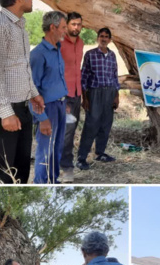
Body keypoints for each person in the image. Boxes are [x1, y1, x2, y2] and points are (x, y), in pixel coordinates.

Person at [0, 0, 46, 184]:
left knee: (20, 173)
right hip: (5, 112)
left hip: (22, 109)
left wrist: (33, 94)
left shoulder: (19, 27)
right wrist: (7, 114)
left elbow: (20, 68)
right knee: (3, 176)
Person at [30, 11, 69, 184]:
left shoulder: (57, 49)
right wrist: (42, 118)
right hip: (47, 108)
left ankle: (53, 181)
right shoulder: (38, 54)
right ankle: (41, 183)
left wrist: (64, 101)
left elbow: (56, 79)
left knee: (57, 147)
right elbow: (32, 90)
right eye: (63, 27)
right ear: (52, 28)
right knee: (45, 149)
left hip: (60, 105)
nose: (65, 31)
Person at [76, 28, 120, 171]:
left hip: (109, 93)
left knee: (105, 124)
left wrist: (116, 95)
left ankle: (100, 153)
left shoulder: (112, 55)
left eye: (107, 37)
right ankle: (81, 158)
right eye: (101, 36)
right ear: (97, 38)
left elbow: (115, 76)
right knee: (91, 125)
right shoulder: (90, 55)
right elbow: (84, 77)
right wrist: (85, 97)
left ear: (110, 40)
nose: (104, 39)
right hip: (95, 93)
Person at [59, 12, 85, 183]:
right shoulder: (60, 43)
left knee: (71, 132)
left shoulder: (81, 43)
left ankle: (61, 165)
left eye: (79, 25)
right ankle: (66, 168)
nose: (76, 28)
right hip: (64, 95)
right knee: (66, 134)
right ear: (67, 25)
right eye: (73, 24)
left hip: (77, 94)